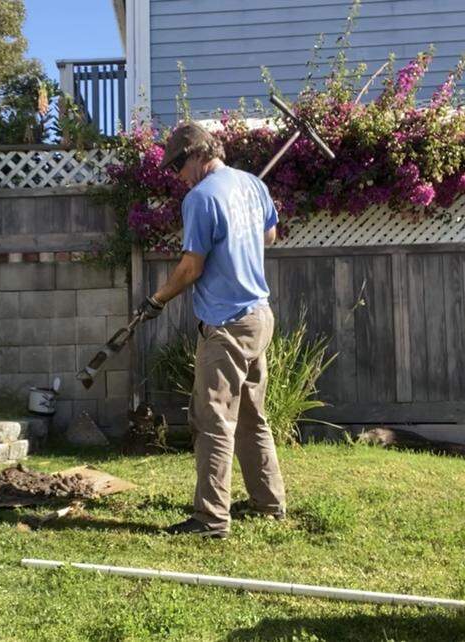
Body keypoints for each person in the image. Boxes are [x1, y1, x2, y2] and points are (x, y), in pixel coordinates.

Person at [136, 122, 286, 539]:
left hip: (226, 324)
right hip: (259, 316)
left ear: (199, 155)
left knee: (213, 418)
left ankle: (210, 519)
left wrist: (158, 299)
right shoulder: (252, 185)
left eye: (179, 166)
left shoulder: (200, 197)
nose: (177, 175)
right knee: (253, 417)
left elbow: (191, 267)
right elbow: (269, 235)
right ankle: (269, 502)